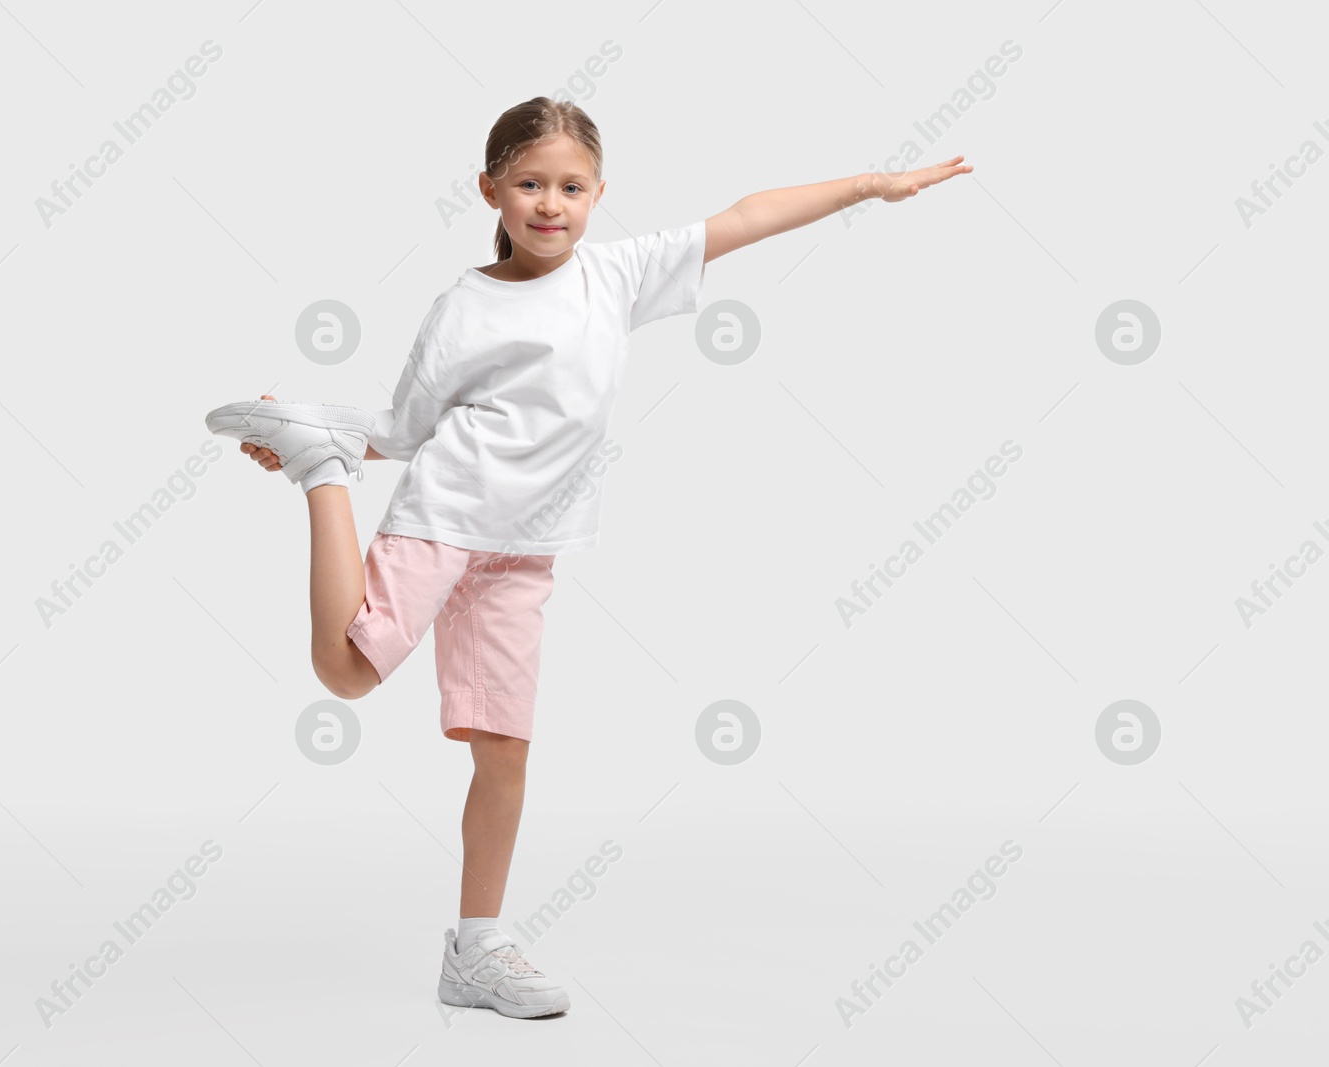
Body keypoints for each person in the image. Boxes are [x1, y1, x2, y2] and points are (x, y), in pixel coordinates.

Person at [205, 95, 971, 1019]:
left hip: (524, 555)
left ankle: (477, 949)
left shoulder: (617, 276)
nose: (549, 203)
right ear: (489, 189)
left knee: (505, 752)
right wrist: (336, 444)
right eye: (529, 183)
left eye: (571, 186)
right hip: (448, 513)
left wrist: (867, 186)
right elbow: (409, 429)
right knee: (347, 669)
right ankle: (317, 473)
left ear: (601, 195)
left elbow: (744, 216)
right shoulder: (462, 305)